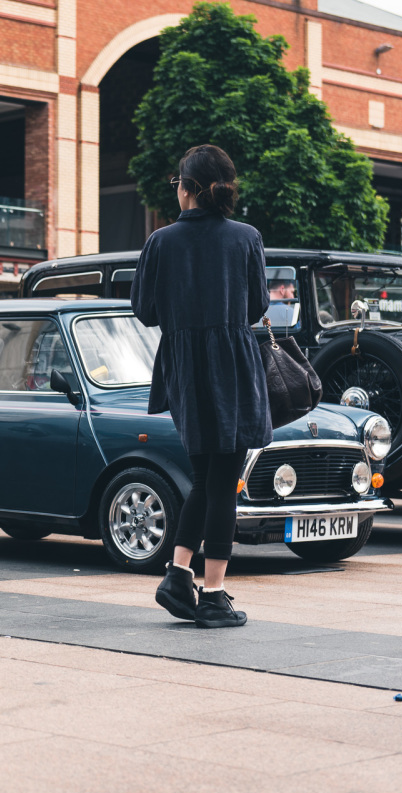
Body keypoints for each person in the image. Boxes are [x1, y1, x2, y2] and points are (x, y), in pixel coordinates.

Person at [131, 144, 272, 629]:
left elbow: (145, 311)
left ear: (188, 188)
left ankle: (178, 576)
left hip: (184, 367)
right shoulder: (246, 237)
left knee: (205, 476)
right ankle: (212, 595)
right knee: (223, 481)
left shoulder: (160, 241)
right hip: (232, 364)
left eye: (177, 182)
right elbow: (256, 306)